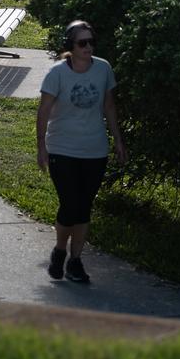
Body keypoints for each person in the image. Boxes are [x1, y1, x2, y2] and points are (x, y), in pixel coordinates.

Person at [37, 19, 126, 284]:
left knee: (84, 207)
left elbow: (109, 107)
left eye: (91, 42)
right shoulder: (57, 74)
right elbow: (43, 111)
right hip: (62, 148)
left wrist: (118, 140)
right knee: (70, 205)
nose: (88, 47)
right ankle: (60, 250)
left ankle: (75, 261)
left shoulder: (103, 69)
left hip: (94, 149)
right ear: (70, 46)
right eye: (82, 42)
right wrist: (41, 146)